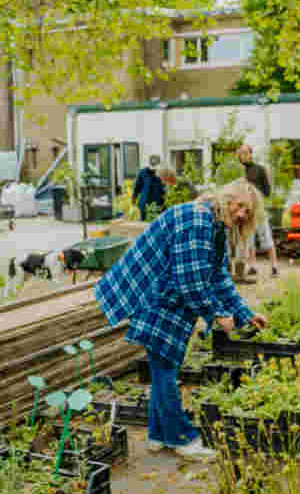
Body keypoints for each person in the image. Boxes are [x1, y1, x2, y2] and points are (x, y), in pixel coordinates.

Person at [95, 178, 269, 461]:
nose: (240, 215)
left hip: (168, 297)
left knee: (163, 366)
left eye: (246, 213)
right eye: (240, 206)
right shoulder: (197, 220)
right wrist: (218, 314)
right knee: (165, 367)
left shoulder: (215, 227)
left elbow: (218, 277)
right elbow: (191, 282)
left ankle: (157, 434)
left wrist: (245, 314)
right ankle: (181, 439)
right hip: (152, 294)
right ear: (227, 198)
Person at [236, 143, 280, 277]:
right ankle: (252, 266)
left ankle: (274, 266)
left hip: (258, 209)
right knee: (249, 239)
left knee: (266, 236)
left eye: (246, 153)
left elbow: (267, 192)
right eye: (241, 153)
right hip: (245, 211)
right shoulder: (238, 171)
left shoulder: (259, 169)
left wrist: (254, 193)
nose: (244, 155)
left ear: (251, 154)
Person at [133, 155, 166, 221]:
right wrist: (134, 198)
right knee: (144, 222)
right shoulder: (142, 172)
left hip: (159, 204)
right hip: (145, 203)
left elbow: (165, 188)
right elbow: (137, 187)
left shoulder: (162, 173)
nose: (153, 170)